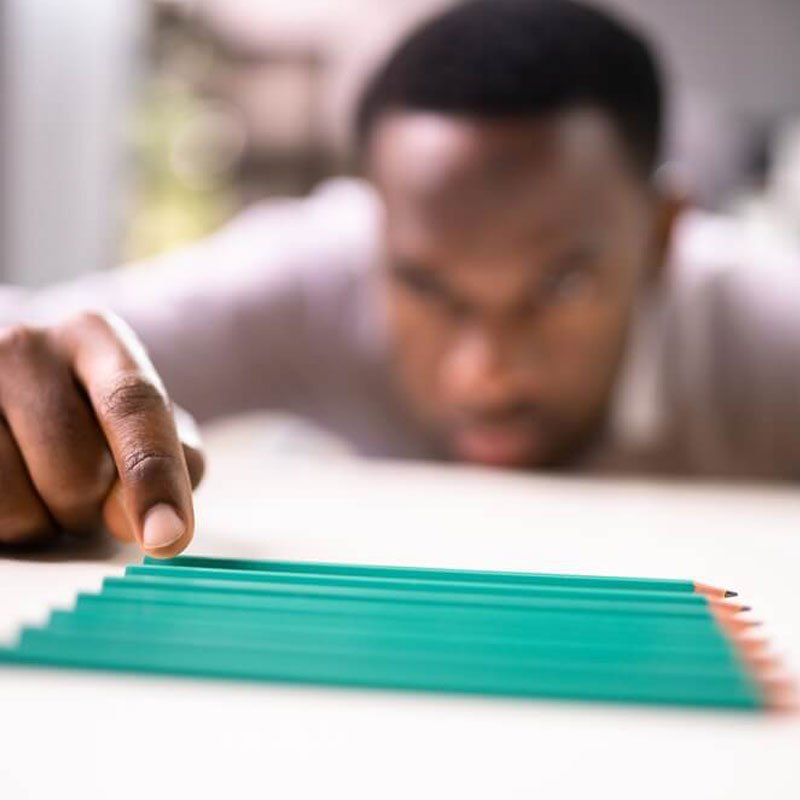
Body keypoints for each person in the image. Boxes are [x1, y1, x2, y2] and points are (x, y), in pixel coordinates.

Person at [0, 0, 797, 558]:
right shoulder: (316, 267)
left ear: (662, 235)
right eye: (429, 288)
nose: (485, 373)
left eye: (560, 288)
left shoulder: (772, 333)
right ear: (374, 224)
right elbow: (33, 338)